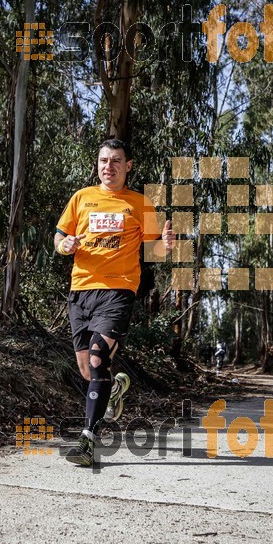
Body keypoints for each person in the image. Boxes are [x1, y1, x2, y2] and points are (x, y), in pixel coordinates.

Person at [54, 138, 175, 466]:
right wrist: (65, 246)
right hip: (80, 291)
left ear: (128, 165)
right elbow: (59, 237)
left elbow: (155, 252)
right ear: (98, 164)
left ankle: (88, 440)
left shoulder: (139, 203)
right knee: (88, 369)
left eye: (116, 161)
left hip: (118, 290)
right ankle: (114, 390)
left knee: (97, 358)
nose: (109, 166)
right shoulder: (82, 198)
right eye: (104, 160)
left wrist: (165, 244)